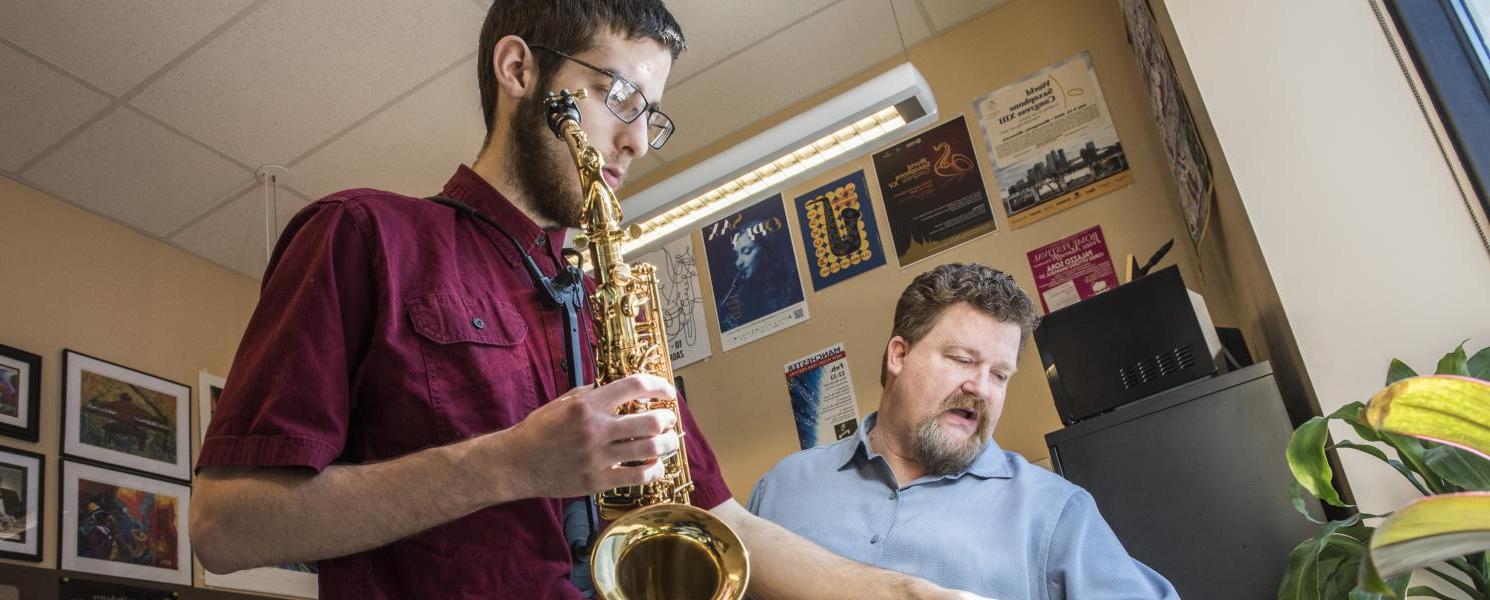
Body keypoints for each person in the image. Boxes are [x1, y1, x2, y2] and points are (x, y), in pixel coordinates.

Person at [190, 2, 992, 599]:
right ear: (518, 70)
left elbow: (725, 524)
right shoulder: (363, 234)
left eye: (652, 115)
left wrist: (906, 593)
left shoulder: (605, 302)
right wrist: (511, 464)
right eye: (620, 97)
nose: (638, 141)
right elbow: (223, 526)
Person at [749, 263, 1179, 599]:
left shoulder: (1054, 513)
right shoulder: (782, 487)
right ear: (899, 355)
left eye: (1000, 375)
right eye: (961, 359)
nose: (980, 388)